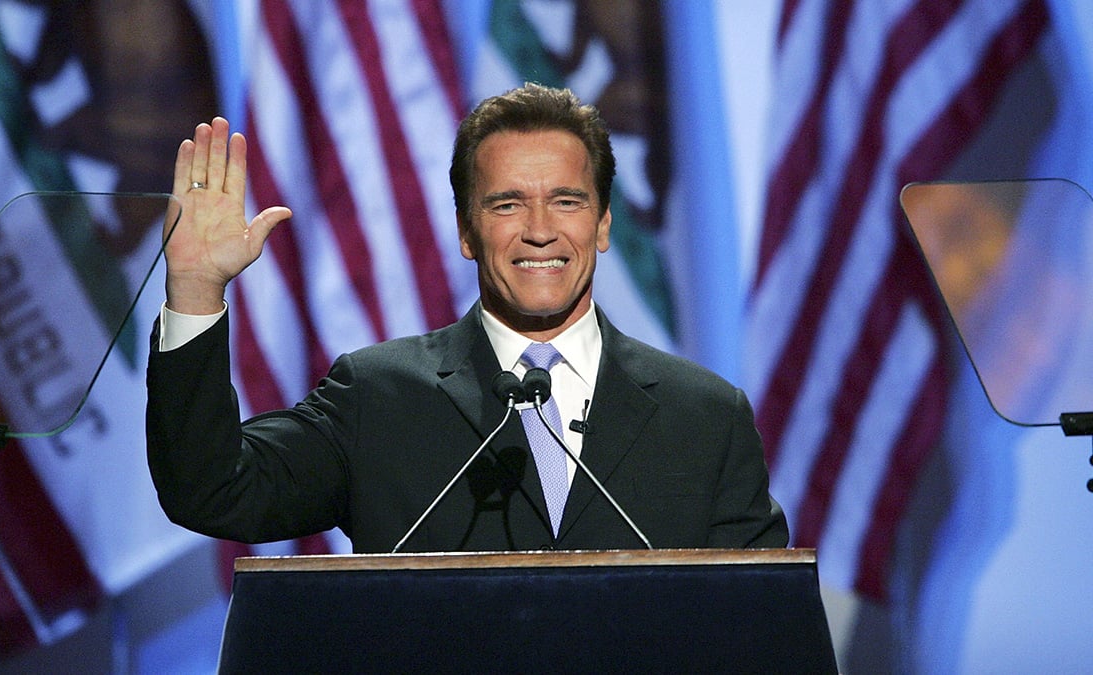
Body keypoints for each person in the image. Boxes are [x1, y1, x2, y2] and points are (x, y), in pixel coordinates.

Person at [146, 83, 788, 552]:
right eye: (507, 205)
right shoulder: (378, 397)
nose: (540, 231)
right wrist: (197, 290)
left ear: (602, 225)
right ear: (466, 232)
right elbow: (212, 489)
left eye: (566, 200)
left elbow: (767, 630)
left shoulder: (706, 418)